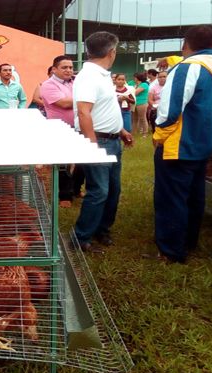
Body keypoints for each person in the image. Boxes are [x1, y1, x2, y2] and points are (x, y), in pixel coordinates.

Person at [153, 25, 212, 264]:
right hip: (203, 142)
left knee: (171, 198)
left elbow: (170, 110)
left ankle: (171, 250)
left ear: (185, 44)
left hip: (179, 145)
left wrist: (159, 136)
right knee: (194, 196)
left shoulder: (187, 68)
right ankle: (189, 241)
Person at [72, 31, 134, 252]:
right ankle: (81, 237)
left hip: (112, 139)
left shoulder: (102, 75)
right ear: (112, 52)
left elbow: (103, 109)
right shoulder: (89, 76)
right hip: (99, 141)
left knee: (113, 190)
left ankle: (101, 229)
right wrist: (92, 145)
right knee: (99, 191)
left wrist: (122, 130)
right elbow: (83, 112)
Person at [40, 55, 80, 208]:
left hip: (78, 126)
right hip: (59, 129)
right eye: (64, 67)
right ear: (54, 69)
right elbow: (63, 103)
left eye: (70, 67)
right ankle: (64, 195)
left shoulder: (75, 83)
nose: (69, 70)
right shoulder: (48, 85)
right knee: (63, 163)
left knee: (80, 162)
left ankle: (75, 189)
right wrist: (85, 98)